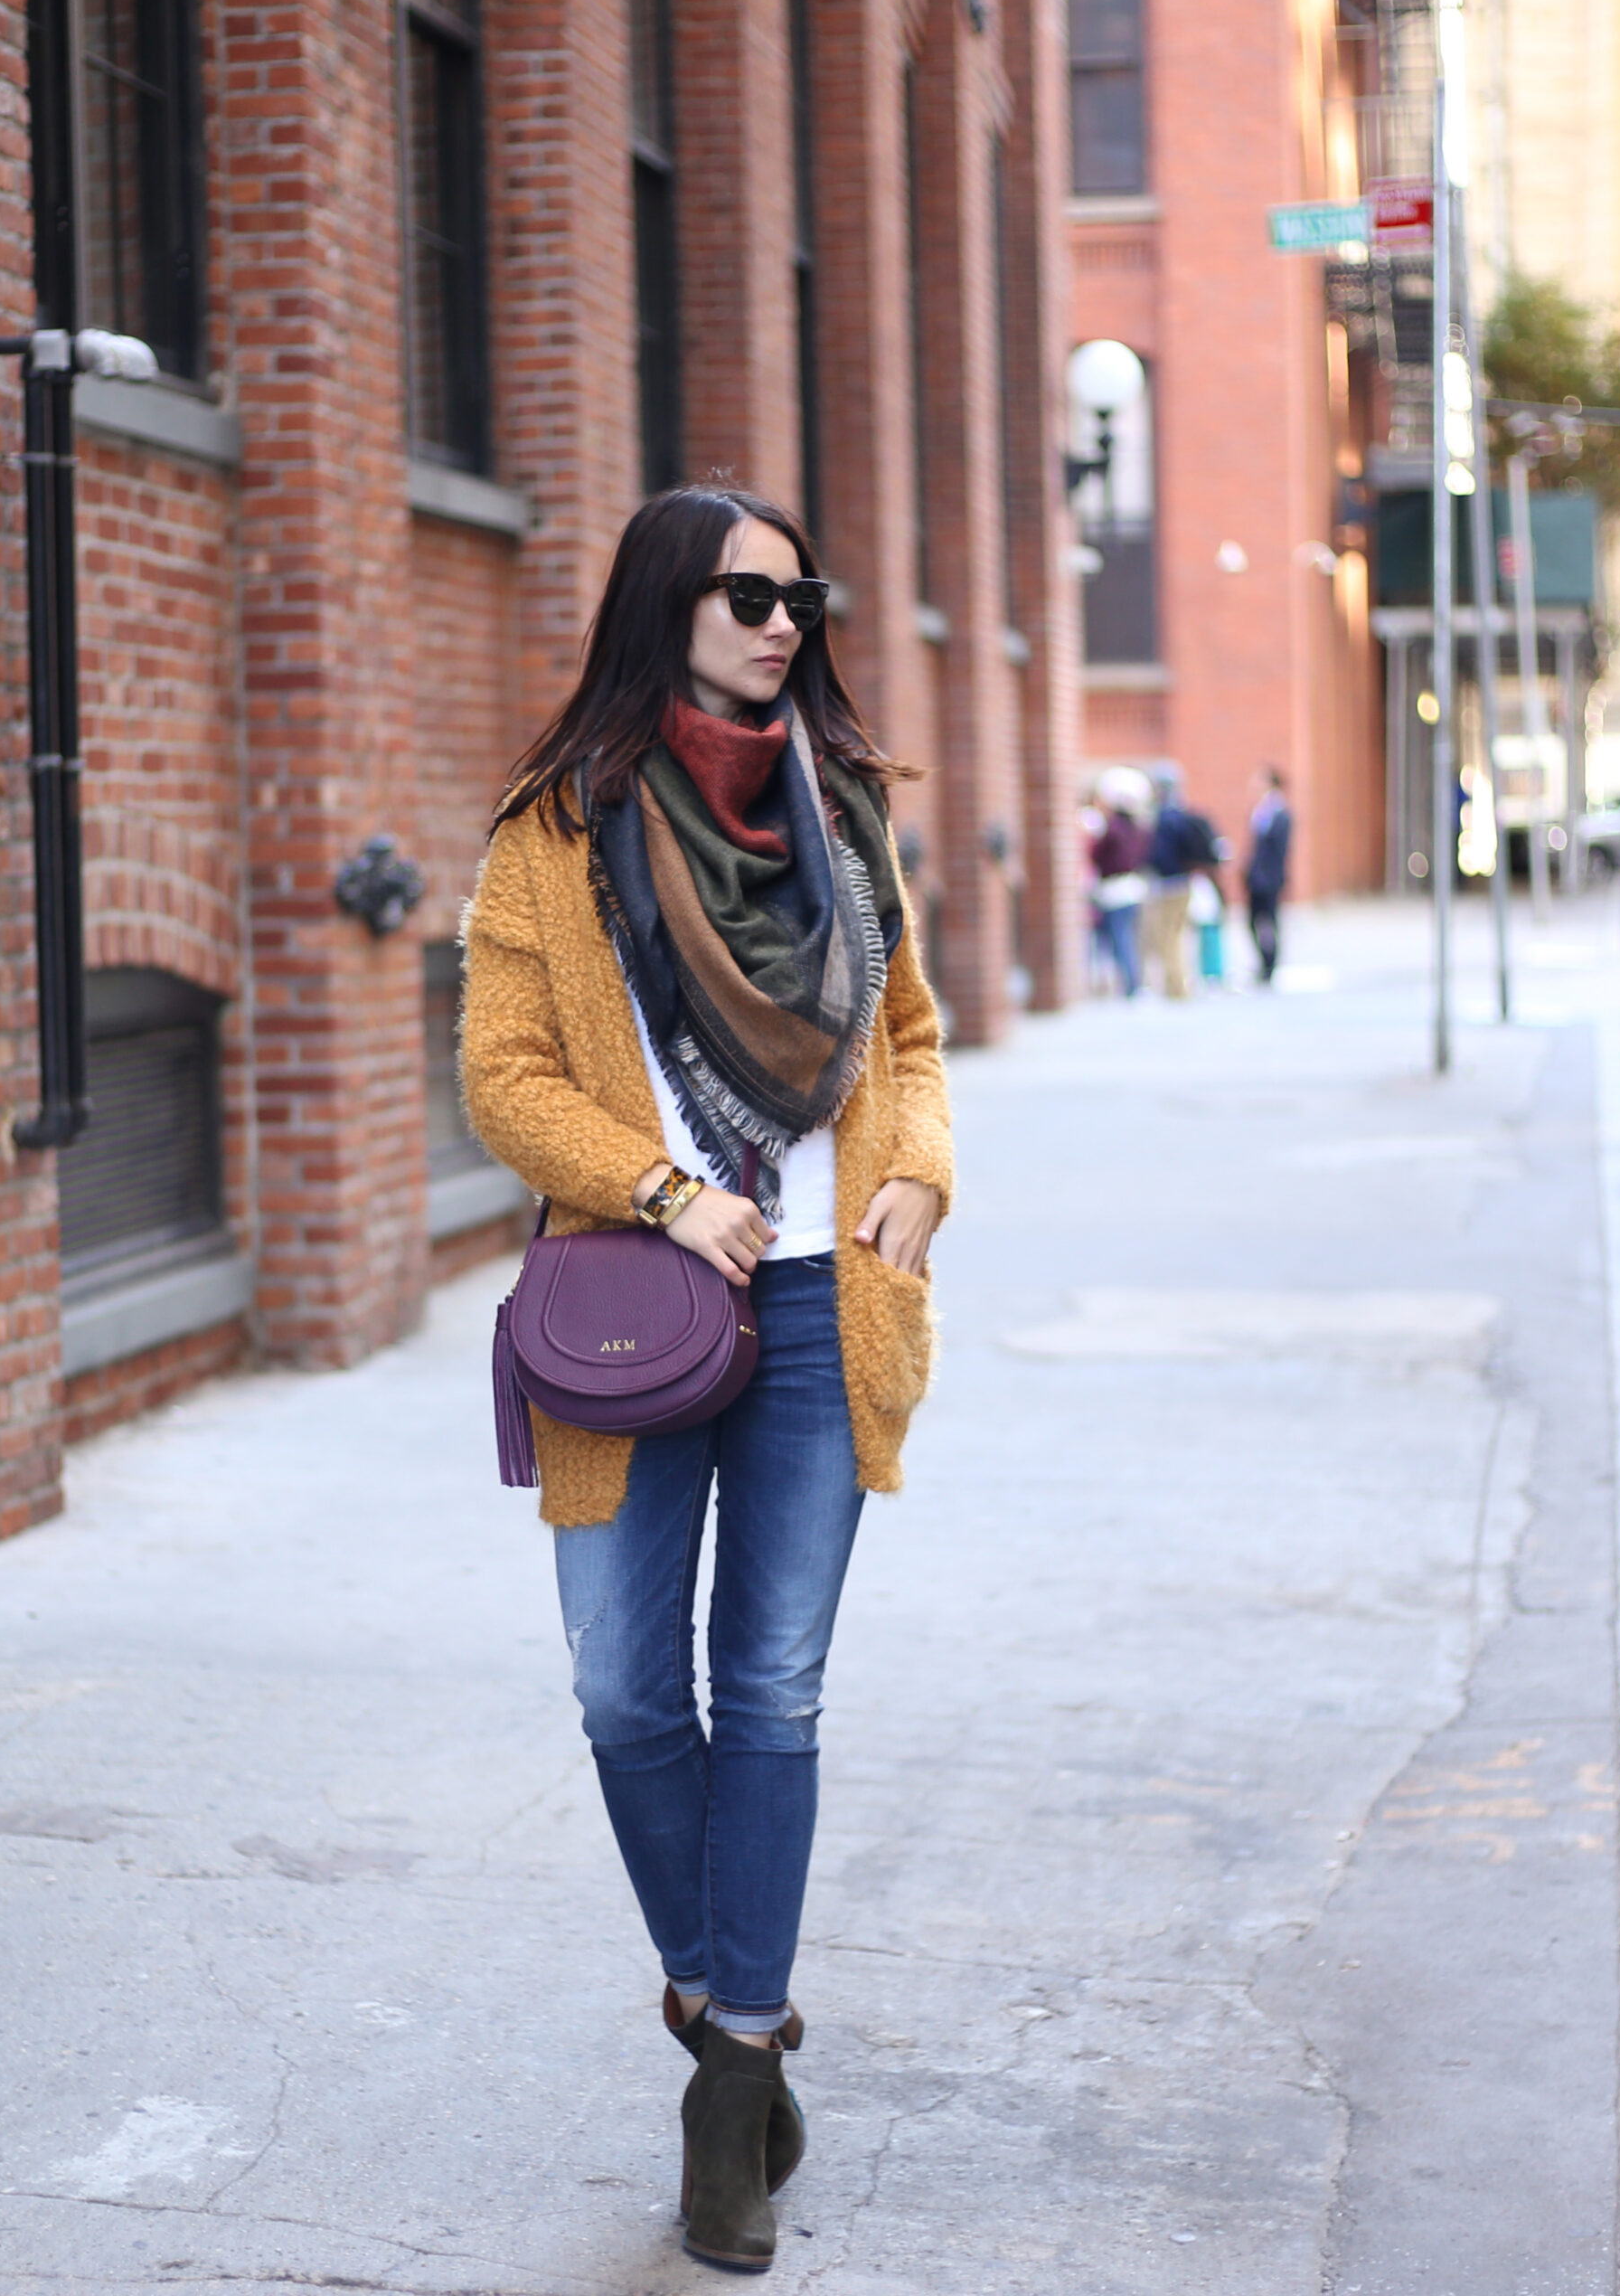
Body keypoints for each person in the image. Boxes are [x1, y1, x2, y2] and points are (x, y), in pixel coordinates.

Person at [459, 486, 953, 2272]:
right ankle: (711, 1985)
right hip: (637, 1306)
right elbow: (504, 1079)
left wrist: (918, 1170)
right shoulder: (553, 833)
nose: (782, 621)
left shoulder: (847, 806)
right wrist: (665, 1189)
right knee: (616, 1683)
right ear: (667, 601)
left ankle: (734, 2074)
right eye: (750, 592)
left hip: (828, 1305)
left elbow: (903, 1026)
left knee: (775, 1687)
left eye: (800, 595)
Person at [1142, 765, 1221, 999]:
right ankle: (1179, 984)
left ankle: (1176, 986)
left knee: (1169, 937)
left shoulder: (1164, 817)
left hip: (1168, 885)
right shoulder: (1184, 813)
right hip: (1185, 881)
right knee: (1177, 934)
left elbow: (1160, 854)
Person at [1089, 767, 1154, 997]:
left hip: (1115, 889)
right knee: (1128, 937)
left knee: (1120, 938)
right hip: (1132, 887)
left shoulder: (1113, 829)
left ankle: (1131, 984)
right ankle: (1131, 982)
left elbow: (1097, 855)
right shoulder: (1139, 828)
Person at [1245, 764, 1292, 984]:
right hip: (1255, 877)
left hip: (1270, 878)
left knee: (1270, 921)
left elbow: (1278, 850)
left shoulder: (1281, 813)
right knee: (1253, 921)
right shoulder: (1261, 810)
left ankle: (1270, 965)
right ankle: (1264, 962)